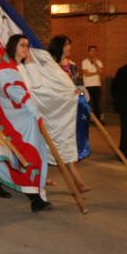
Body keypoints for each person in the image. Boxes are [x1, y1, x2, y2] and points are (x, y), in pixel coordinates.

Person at [46, 35, 91, 192]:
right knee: (47, 145)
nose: (69, 47)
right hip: (54, 110)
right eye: (66, 44)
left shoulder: (72, 66)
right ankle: (41, 177)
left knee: (67, 143)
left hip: (69, 109)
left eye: (69, 44)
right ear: (59, 47)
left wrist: (79, 91)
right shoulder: (50, 66)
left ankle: (78, 182)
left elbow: (75, 83)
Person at [82, 45, 104, 122]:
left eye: (94, 51)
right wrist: (96, 72)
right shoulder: (84, 62)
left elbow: (101, 72)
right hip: (88, 85)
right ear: (88, 52)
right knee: (87, 103)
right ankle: (87, 119)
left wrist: (96, 63)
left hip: (97, 85)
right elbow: (86, 73)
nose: (93, 52)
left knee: (97, 103)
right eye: (91, 51)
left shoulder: (99, 62)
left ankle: (97, 120)